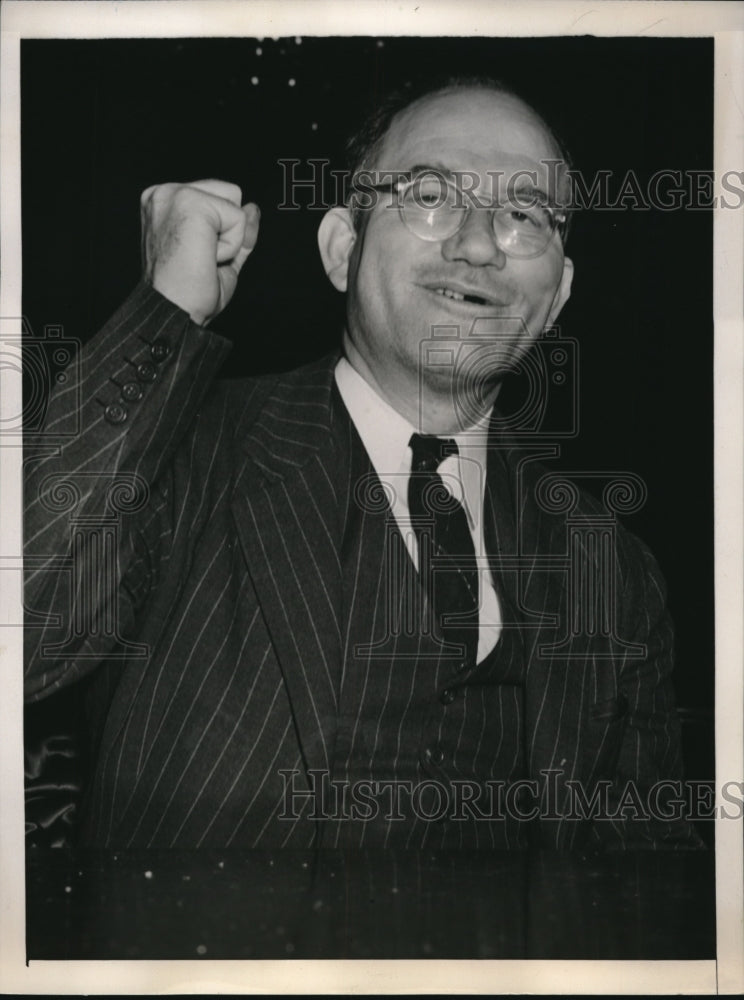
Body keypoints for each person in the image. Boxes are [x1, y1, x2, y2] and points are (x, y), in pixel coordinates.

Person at [24, 76, 699, 851]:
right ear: (343, 248)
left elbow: (646, 880)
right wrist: (168, 310)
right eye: (431, 194)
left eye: (523, 215)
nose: (479, 244)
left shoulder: (615, 571)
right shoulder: (181, 451)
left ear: (558, 295)